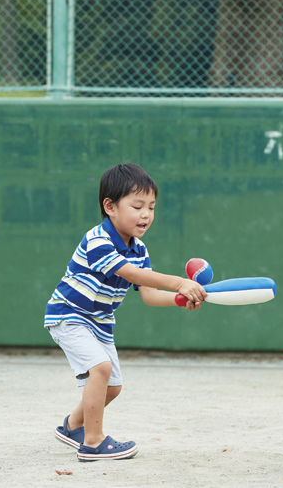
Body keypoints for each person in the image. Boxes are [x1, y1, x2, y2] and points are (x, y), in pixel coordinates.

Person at [45, 163, 206, 462]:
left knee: (113, 387)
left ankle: (72, 426)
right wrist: (180, 282)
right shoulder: (97, 240)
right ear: (110, 207)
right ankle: (92, 442)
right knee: (101, 370)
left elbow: (150, 295)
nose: (146, 214)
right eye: (137, 206)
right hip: (69, 314)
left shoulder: (140, 249)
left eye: (152, 207)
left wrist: (180, 299)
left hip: (101, 322)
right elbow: (132, 275)